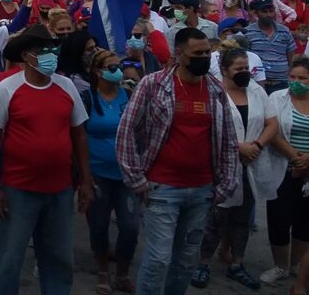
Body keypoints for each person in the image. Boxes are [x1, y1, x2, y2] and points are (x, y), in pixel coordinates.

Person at [116, 27, 240, 295]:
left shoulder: (215, 90)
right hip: (162, 189)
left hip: (202, 190)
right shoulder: (153, 85)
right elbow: (126, 131)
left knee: (185, 261)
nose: (205, 57)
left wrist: (226, 184)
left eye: (208, 52)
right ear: (179, 54)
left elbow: (228, 139)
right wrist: (136, 180)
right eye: (197, 53)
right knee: (159, 259)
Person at [0, 24, 93, 295]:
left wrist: (86, 182)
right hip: (17, 191)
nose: (50, 55)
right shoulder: (8, 89)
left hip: (59, 190)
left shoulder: (66, 86)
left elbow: (79, 135)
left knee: (58, 260)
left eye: (52, 50)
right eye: (42, 51)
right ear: (26, 55)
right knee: (10, 259)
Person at [190, 46, 278, 290]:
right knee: (216, 217)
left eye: (246, 69)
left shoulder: (256, 91)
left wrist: (257, 145)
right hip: (222, 162)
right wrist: (238, 147)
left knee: (243, 218)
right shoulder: (212, 92)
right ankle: (202, 264)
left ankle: (237, 263)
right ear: (225, 71)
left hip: (252, 162)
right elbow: (206, 128)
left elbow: (272, 123)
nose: (244, 73)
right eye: (239, 69)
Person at [82, 49, 138, 295]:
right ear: (98, 71)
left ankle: (123, 273)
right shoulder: (87, 99)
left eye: (118, 65)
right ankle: (103, 270)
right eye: (111, 66)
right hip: (98, 173)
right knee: (99, 225)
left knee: (130, 227)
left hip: (127, 173)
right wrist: (82, 175)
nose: (117, 70)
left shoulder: (127, 95)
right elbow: (79, 136)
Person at [260, 55, 309, 286]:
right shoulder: (277, 97)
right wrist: (294, 157)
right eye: (292, 76)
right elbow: (272, 130)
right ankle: (280, 265)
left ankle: (297, 264)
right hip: (282, 168)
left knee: (304, 222)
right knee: (279, 219)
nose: (296, 81)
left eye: (303, 78)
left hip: (308, 172)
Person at [245, 0, 299, 94]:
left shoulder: (285, 31)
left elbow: (291, 57)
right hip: (258, 83)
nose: (269, 14)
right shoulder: (248, 32)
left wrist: (291, 77)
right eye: (264, 11)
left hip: (282, 83)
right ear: (257, 13)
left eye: (271, 11)